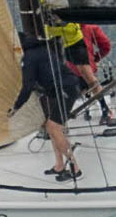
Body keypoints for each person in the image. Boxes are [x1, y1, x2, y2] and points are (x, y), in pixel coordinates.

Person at [12, 35, 86, 180]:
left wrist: (16, 106)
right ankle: (59, 165)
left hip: (64, 90)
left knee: (54, 127)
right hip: (65, 87)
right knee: (51, 126)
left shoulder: (29, 57)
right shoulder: (41, 49)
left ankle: (75, 168)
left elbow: (27, 86)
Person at [63, 21, 116, 126]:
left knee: (70, 93)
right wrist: (96, 58)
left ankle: (59, 119)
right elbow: (106, 46)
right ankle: (105, 110)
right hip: (88, 66)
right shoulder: (90, 27)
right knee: (94, 85)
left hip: (70, 69)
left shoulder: (61, 29)